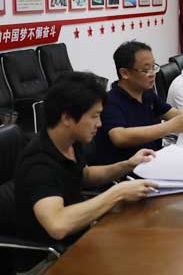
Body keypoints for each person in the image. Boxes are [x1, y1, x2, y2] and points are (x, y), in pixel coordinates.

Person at [13, 72, 158, 274]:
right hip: (48, 260)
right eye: (94, 116)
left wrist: (127, 165)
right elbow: (58, 224)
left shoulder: (69, 141)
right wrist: (118, 193)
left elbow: (83, 175)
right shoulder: (38, 163)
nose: (99, 124)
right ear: (67, 118)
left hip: (80, 237)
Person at [90, 41, 183, 165]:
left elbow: (173, 114)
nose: (153, 74)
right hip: (129, 169)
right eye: (146, 69)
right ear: (125, 73)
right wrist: (169, 127)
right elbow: (119, 137)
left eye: (153, 67)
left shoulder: (146, 93)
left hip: (154, 160)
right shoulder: (110, 101)